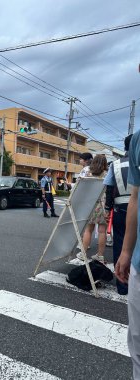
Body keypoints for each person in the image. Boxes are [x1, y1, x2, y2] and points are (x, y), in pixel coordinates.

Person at [115, 131, 140, 379]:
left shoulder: (113, 165)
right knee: (137, 342)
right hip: (139, 263)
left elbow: (109, 191)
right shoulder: (138, 141)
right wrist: (126, 251)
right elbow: (136, 195)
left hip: (118, 210)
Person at [103, 134, 133, 295]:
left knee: (120, 246)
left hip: (121, 209)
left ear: (125, 147)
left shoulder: (115, 164)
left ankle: (122, 286)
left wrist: (108, 208)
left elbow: (109, 187)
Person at [77, 155, 108, 263]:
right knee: (102, 231)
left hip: (90, 204)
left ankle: (83, 253)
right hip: (104, 205)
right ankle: (100, 255)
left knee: (88, 230)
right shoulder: (107, 173)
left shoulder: (86, 171)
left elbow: (79, 187)